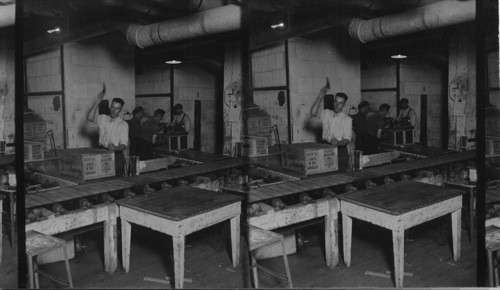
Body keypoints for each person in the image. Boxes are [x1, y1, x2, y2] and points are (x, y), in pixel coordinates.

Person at [86, 83, 129, 176]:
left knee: (117, 182)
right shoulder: (103, 118)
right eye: (112, 107)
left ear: (120, 110)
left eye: (117, 109)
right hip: (101, 152)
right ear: (110, 107)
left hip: (116, 155)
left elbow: (124, 145)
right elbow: (90, 118)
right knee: (102, 179)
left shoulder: (123, 124)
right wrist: (97, 102)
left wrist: (115, 148)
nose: (114, 110)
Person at [310, 87, 352, 171]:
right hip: (325, 147)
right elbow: (313, 112)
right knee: (325, 174)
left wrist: (338, 143)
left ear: (344, 105)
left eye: (340, 103)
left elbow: (347, 140)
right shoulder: (326, 113)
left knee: (340, 176)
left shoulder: (347, 119)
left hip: (339, 150)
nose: (337, 105)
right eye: (335, 102)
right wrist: (320, 96)